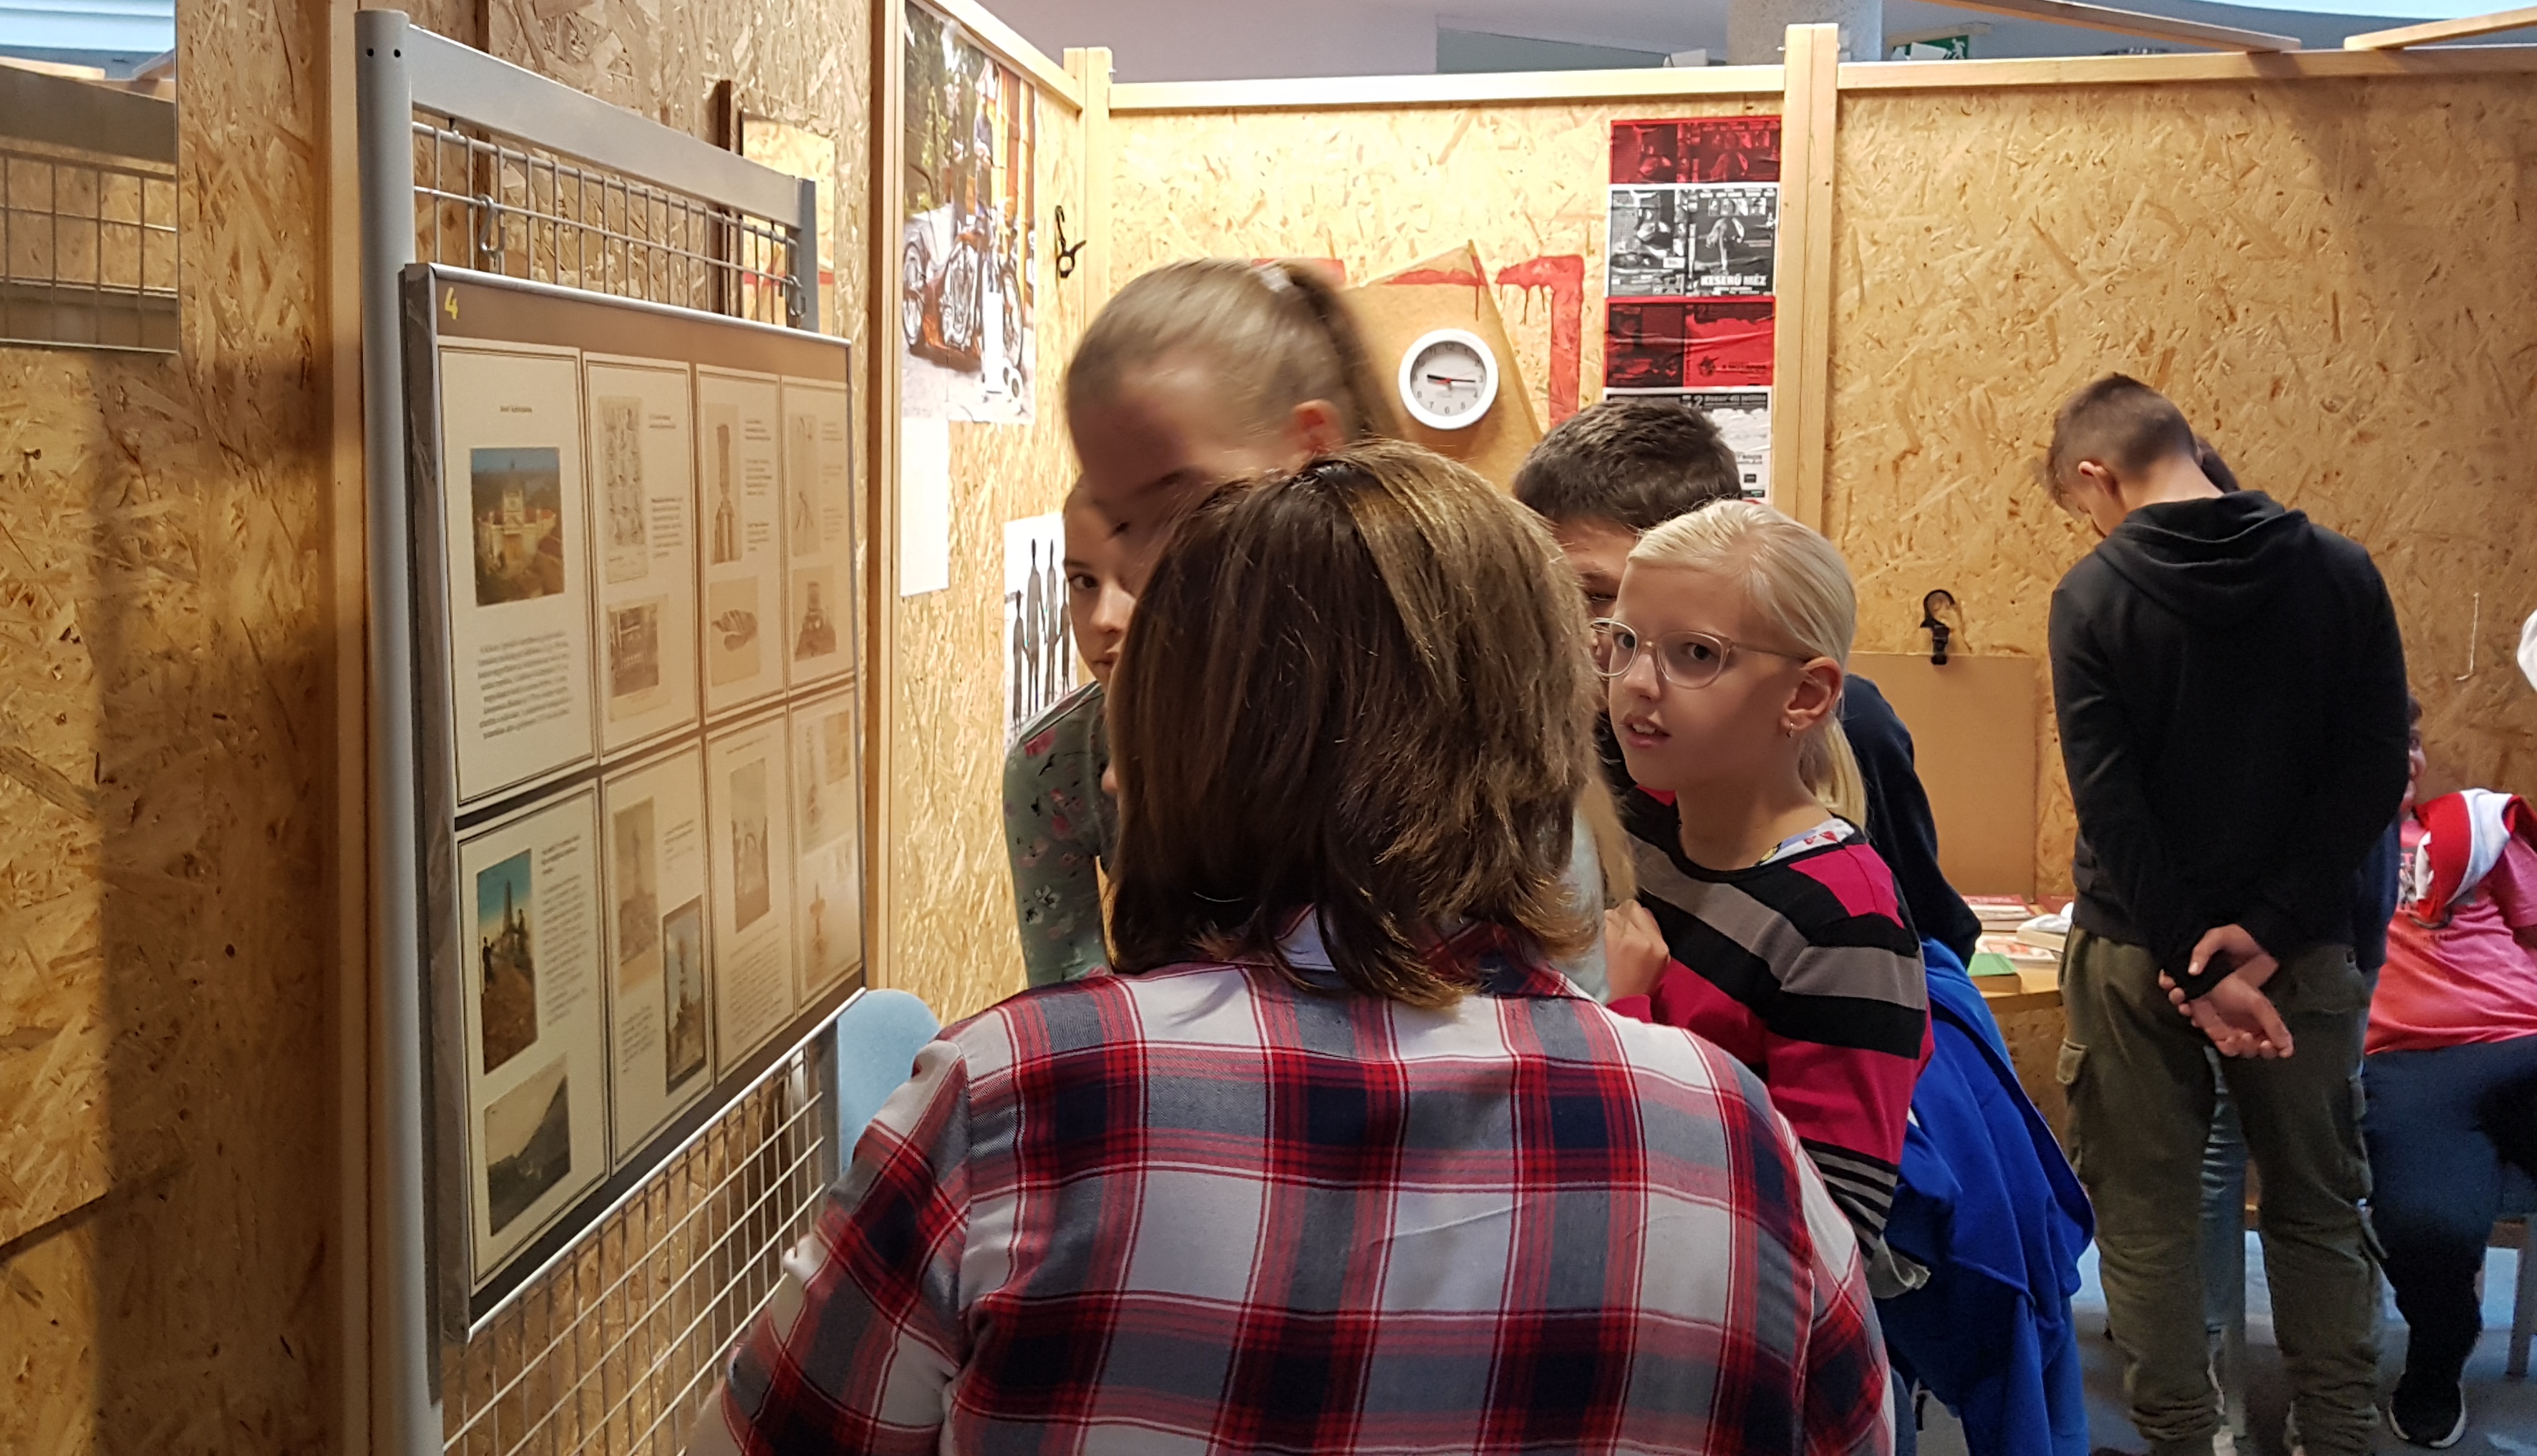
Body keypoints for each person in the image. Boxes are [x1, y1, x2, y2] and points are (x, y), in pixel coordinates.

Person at [699, 444, 1892, 1456]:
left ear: (1185, 745)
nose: (1110, 778)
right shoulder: (1733, 1148)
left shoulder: (1010, 1106)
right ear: (1543, 730)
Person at [2040, 375, 2407, 1456]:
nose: (2095, 528)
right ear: (2192, 446)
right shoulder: (2343, 572)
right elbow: (2373, 773)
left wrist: (2193, 965)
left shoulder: (2090, 597)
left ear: (2098, 476)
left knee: (2145, 1216)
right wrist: (2271, 931)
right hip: (2303, 953)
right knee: (2320, 1205)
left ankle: (2180, 1437)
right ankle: (2338, 1433)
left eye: (2084, 505)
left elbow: (2111, 802)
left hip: (2134, 950)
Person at [1001, 259, 1402, 987]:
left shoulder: (1436, 706)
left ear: (1313, 447)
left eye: (1178, 506)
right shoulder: (1067, 759)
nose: (1143, 580)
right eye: (1122, 523)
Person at [1512, 399, 1982, 964]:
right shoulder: (1528, 728)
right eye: (1539, 591)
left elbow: (1925, 950)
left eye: (1595, 596)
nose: (1558, 629)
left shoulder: (1849, 727)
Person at [1592, 496, 1929, 1258]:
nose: (1637, 682)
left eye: (1695, 654)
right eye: (1626, 641)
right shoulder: (1640, 827)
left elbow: (1832, 1232)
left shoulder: (1846, 926)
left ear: (1805, 696)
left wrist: (1624, 1020)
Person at [2359, 704, 2537, 1447]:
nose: (2407, 759)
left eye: (2412, 744)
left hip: (2525, 1042)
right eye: (2385, 744)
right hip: (2409, 1064)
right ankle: (2438, 1360)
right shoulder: (2314, 857)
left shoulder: (2475, 830)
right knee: (2426, 1230)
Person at [1000, 484, 1132, 986]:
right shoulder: (1053, 760)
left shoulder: (1296, 731)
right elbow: (1069, 998)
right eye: (1084, 582)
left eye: (1141, 580)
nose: (1103, 618)